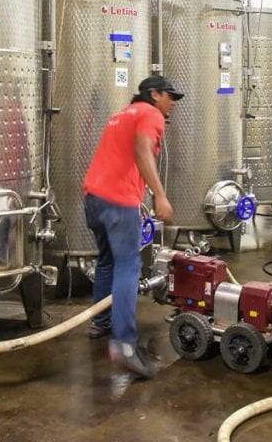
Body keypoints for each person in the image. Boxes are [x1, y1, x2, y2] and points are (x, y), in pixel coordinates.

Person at [83, 75, 183, 379]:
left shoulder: (120, 115)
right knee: (128, 266)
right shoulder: (151, 114)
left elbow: (117, 159)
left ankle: (100, 322)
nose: (173, 104)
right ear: (154, 95)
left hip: (93, 198)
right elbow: (141, 151)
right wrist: (160, 196)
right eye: (170, 97)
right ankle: (124, 345)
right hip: (116, 202)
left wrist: (136, 196)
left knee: (107, 261)